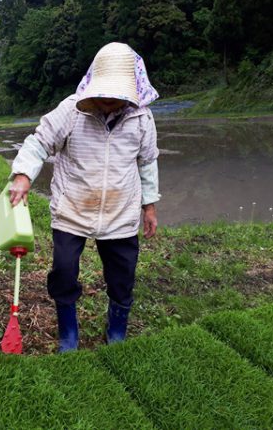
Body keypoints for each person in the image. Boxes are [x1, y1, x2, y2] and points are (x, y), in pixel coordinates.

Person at [9, 42, 160, 351]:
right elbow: (39, 142)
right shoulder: (72, 111)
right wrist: (23, 176)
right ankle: (68, 334)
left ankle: (117, 331)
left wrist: (150, 206)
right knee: (64, 272)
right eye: (104, 91)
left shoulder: (142, 119)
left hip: (121, 212)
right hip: (72, 208)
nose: (108, 99)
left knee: (122, 277)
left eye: (116, 94)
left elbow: (147, 162)